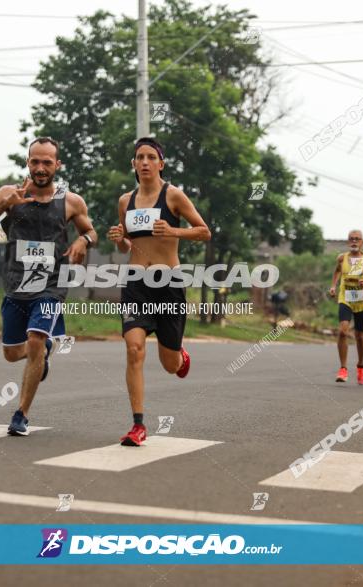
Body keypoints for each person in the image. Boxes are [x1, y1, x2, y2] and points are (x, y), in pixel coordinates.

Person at [0, 137, 96, 436]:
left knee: (36, 339)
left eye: (47, 162)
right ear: (27, 162)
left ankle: (21, 414)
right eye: (35, 161)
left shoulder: (71, 201)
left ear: (58, 165)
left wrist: (83, 240)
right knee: (13, 354)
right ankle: (43, 351)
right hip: (16, 284)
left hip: (51, 286)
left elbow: (90, 230)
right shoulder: (9, 193)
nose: (40, 168)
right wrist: (3, 203)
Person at [107, 137, 211, 446]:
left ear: (161, 164)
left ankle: (180, 356)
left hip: (168, 284)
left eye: (151, 157)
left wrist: (174, 230)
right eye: (140, 157)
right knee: (134, 349)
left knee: (170, 365)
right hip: (137, 283)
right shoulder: (125, 201)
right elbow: (128, 243)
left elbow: (204, 231)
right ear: (134, 164)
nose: (145, 162)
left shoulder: (174, 196)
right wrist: (119, 239)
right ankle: (138, 425)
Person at [328, 230, 363, 385]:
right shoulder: (342, 258)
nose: (354, 241)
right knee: (342, 331)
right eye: (351, 239)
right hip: (345, 298)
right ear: (348, 242)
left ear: (362, 242)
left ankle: (360, 366)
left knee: (360, 335)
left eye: (357, 239)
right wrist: (333, 286)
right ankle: (343, 369)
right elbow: (337, 272)